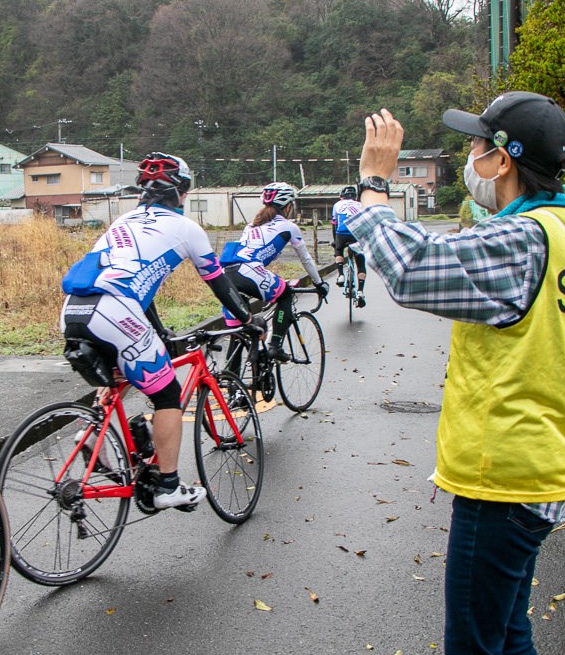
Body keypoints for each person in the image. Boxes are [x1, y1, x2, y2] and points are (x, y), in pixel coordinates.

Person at [344, 92, 565, 655]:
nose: (469, 153)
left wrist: (375, 185)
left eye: (478, 144)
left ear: (503, 160)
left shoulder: (521, 237)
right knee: (507, 640)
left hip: (503, 474)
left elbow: (412, 270)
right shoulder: (561, 227)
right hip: (537, 461)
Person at [60, 152, 257, 510]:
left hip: (74, 309)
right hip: (116, 310)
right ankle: (168, 485)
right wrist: (246, 319)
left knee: (123, 373)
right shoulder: (186, 229)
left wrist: (161, 332)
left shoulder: (122, 221)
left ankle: (95, 434)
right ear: (181, 193)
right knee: (167, 394)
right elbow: (220, 283)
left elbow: (134, 283)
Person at [218, 182, 328, 361]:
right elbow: (305, 259)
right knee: (285, 293)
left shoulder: (251, 225)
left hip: (225, 275)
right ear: (288, 206)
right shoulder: (289, 227)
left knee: (237, 335)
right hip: (249, 271)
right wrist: (319, 283)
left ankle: (232, 384)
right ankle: (275, 346)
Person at [330, 184, 367, 307]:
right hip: (357, 235)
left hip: (342, 234)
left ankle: (340, 275)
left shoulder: (337, 205)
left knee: (338, 250)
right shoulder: (361, 204)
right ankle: (360, 291)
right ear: (355, 197)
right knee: (360, 263)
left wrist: (335, 241)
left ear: (342, 197)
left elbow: (334, 223)